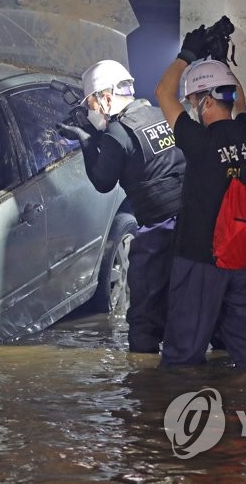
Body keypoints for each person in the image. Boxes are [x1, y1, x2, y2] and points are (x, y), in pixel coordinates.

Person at [58, 59, 185, 353]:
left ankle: (145, 382)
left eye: (91, 102)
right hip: (192, 221)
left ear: (105, 97)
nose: (90, 109)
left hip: (158, 229)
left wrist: (85, 140)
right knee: (188, 297)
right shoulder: (159, 114)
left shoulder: (118, 133)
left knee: (143, 310)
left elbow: (103, 181)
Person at [154, 52, 246, 369]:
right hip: (240, 254)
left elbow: (162, 93)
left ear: (206, 101)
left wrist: (184, 57)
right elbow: (242, 104)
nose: (192, 105)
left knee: (182, 359)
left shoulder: (200, 141)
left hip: (200, 259)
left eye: (194, 99)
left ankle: (182, 414)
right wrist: (223, 67)